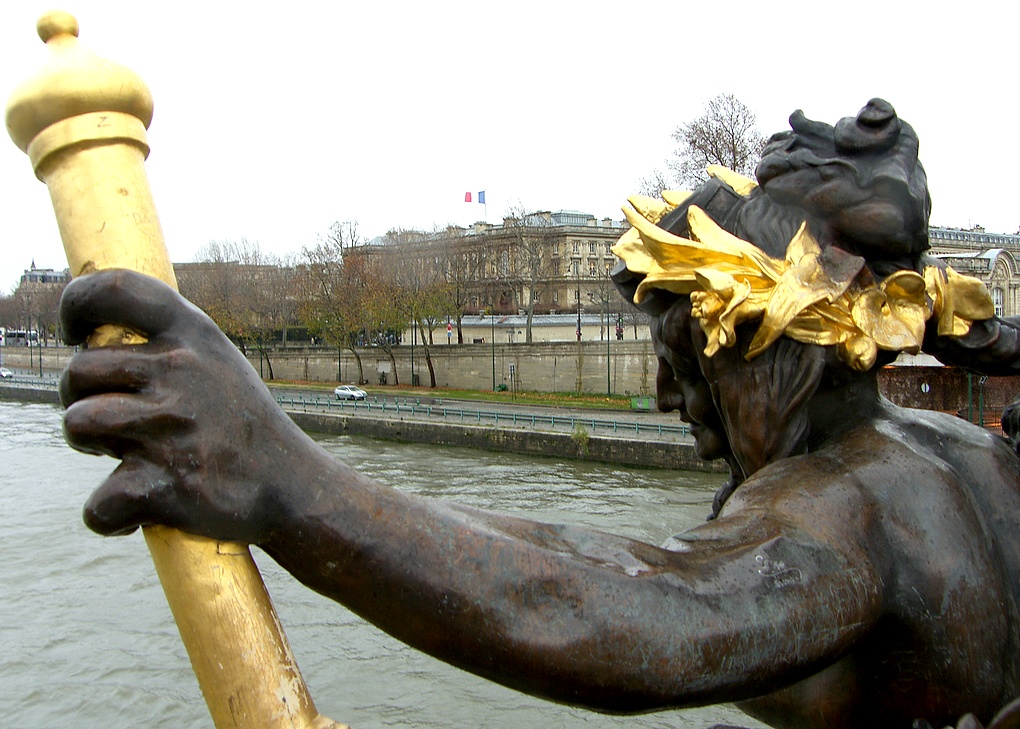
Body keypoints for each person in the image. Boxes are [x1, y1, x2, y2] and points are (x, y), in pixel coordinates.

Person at [59, 102, 1020, 729]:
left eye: (681, 361)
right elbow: (599, 564)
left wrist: (283, 480)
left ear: (745, 348)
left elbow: (629, 610)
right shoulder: (962, 456)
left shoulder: (837, 506)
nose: (667, 400)